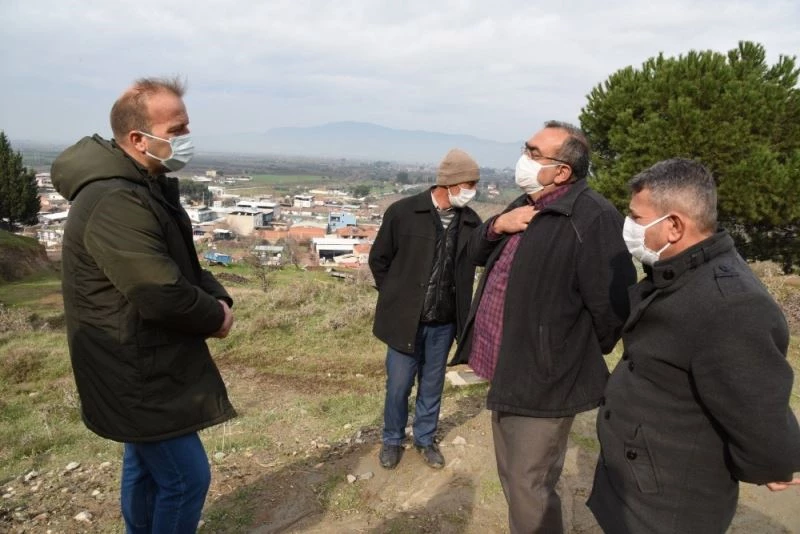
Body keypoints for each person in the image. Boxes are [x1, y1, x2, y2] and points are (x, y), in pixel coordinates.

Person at [51, 77, 236, 533]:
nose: (186, 140)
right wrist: (217, 316)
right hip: (135, 366)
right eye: (177, 130)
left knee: (146, 466)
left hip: (138, 360)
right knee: (187, 479)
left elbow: (179, 265)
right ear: (138, 139)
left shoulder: (141, 185)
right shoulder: (116, 198)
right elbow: (161, 291)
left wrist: (216, 293)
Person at [587, 158, 800, 533]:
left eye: (637, 218)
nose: (629, 227)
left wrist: (773, 460)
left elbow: (755, 398)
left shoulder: (731, 303)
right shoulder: (684, 270)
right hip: (639, 478)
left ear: (673, 226)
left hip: (667, 503)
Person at [450, 121, 637, 533]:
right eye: (526, 148)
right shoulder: (527, 201)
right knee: (514, 479)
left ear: (563, 171)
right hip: (506, 368)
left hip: (545, 376)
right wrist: (498, 225)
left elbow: (614, 306)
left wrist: (563, 351)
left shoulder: (593, 218)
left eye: (534, 152)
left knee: (528, 483)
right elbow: (475, 253)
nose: (524, 158)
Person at [369, 148, 483, 470]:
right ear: (450, 183)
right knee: (399, 386)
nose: (473, 191)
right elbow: (379, 260)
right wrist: (395, 297)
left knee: (432, 386)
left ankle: (425, 438)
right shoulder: (404, 213)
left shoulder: (471, 222)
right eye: (470, 183)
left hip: (444, 323)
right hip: (406, 320)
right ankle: (392, 440)